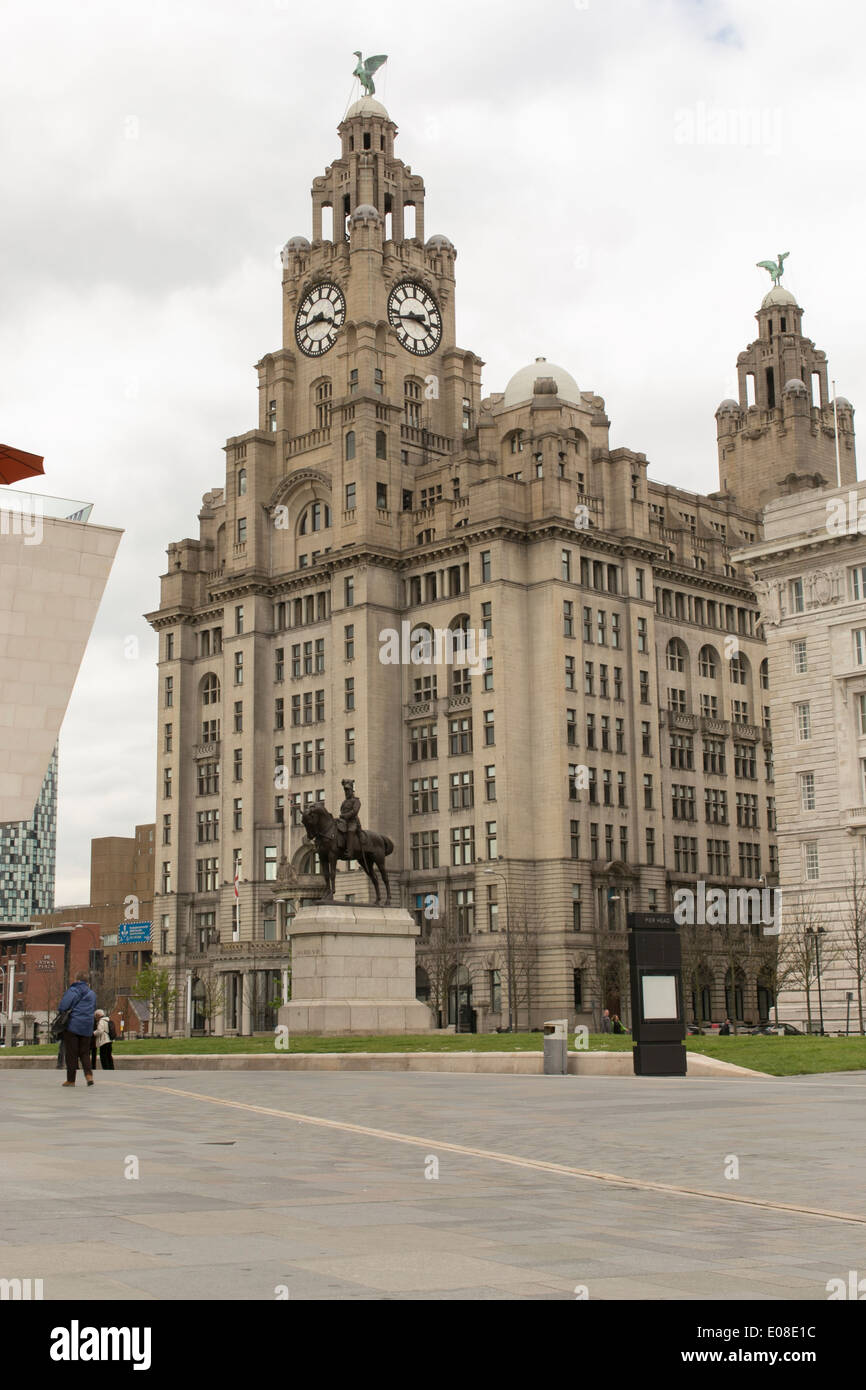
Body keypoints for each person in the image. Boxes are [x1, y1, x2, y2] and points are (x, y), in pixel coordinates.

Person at [58, 971, 97, 1087]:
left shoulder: (73, 990)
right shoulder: (92, 994)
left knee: (71, 1054)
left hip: (73, 1026)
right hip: (87, 1027)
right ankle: (89, 1075)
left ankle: (71, 1080)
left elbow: (63, 1006)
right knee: (85, 1053)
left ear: (77, 979)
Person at [335, 779, 364, 861]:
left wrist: (345, 816)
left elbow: (354, 812)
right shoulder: (344, 802)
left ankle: (350, 852)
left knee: (350, 831)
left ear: (352, 790)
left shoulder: (356, 801)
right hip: (343, 821)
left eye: (348, 790)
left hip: (353, 821)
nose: (346, 792)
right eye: (345, 790)